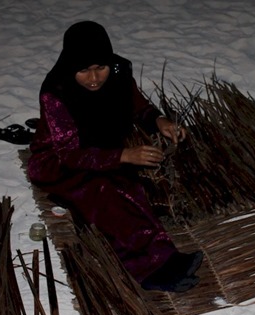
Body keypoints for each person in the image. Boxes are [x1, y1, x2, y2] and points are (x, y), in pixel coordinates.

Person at [27, 21, 202, 292]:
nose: (94, 78)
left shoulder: (119, 69)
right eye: (84, 70)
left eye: (100, 68)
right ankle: (147, 271)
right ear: (72, 65)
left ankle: (166, 257)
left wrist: (159, 121)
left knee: (132, 190)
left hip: (102, 149)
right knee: (104, 193)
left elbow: (136, 104)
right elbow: (68, 154)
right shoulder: (56, 91)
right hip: (59, 162)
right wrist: (123, 156)